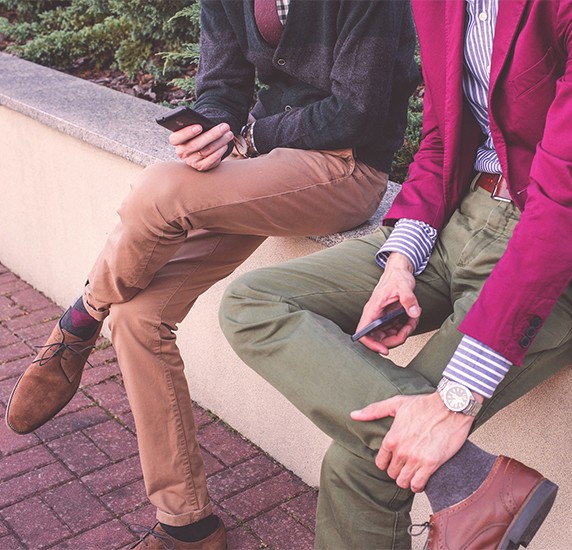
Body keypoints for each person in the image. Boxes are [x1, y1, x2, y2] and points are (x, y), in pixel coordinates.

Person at [219, 0, 572, 548]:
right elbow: (443, 138)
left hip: (564, 254)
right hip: (462, 216)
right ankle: (469, 479)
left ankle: (466, 480)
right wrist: (400, 262)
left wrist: (455, 401)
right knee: (253, 301)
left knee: (362, 469)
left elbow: (569, 203)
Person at [5, 1, 418, 548]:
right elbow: (222, 87)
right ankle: (187, 523)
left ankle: (80, 317)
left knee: (158, 190)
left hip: (343, 167)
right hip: (262, 165)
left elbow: (355, 111)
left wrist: (247, 135)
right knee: (139, 316)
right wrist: (210, 130)